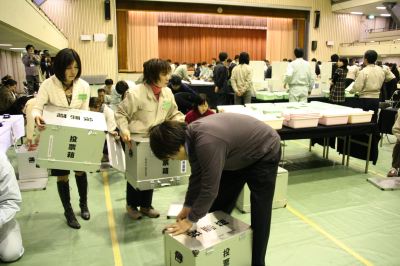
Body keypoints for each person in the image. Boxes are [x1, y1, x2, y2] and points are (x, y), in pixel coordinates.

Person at [149, 113, 281, 266]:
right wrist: (188, 206)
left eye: (170, 157)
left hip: (265, 150)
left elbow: (209, 190)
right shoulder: (190, 138)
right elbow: (197, 176)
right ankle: (217, 253)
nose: (173, 160)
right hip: (237, 155)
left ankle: (257, 262)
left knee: (260, 211)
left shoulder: (206, 143)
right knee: (219, 208)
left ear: (175, 147)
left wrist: (190, 220)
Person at [115, 58, 184, 220]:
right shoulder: (136, 93)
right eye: (164, 74)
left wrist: (182, 122)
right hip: (136, 140)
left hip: (156, 138)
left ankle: (146, 205)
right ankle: (131, 205)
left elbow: (173, 113)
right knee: (136, 174)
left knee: (151, 172)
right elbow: (121, 114)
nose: (168, 77)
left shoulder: (167, 93)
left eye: (169, 73)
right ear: (153, 75)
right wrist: (124, 130)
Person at [32, 48, 91, 229]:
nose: (73, 71)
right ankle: (68, 211)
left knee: (81, 171)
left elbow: (85, 111)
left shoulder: (84, 86)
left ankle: (83, 204)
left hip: (77, 135)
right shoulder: (48, 85)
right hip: (57, 136)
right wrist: (37, 116)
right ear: (59, 67)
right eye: (69, 68)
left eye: (76, 67)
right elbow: (37, 107)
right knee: (62, 176)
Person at [349, 50, 393, 123]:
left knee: (364, 120)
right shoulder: (381, 70)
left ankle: (364, 134)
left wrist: (351, 91)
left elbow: (358, 86)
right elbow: (390, 79)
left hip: (365, 99)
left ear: (365, 59)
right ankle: (373, 134)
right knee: (374, 119)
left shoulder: (364, 71)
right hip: (376, 98)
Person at [0, 153, 24, 263]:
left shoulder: (2, 162)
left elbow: (11, 201)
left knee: (11, 253)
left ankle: (10, 227)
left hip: (1, 216)